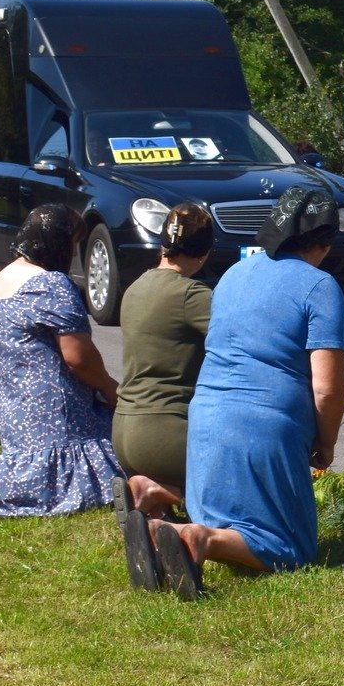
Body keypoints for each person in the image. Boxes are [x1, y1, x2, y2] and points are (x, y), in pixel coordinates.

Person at [131, 187, 344, 600]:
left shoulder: (233, 274)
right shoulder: (320, 286)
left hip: (206, 420)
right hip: (268, 425)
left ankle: (170, 525)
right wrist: (327, 441)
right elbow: (327, 387)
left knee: (224, 514)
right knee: (292, 548)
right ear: (323, 243)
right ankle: (199, 540)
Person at [0, 205, 121, 517]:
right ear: (55, 240)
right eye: (71, 243)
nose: (72, 253)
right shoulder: (50, 284)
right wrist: (109, 388)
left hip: (17, 421)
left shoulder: (0, 280)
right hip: (57, 419)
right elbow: (78, 358)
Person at [114, 202, 216, 517]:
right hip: (165, 433)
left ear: (162, 244)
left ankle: (158, 521)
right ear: (204, 254)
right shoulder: (192, 294)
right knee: (242, 465)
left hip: (124, 428)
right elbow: (241, 342)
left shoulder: (135, 288)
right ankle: (163, 492)